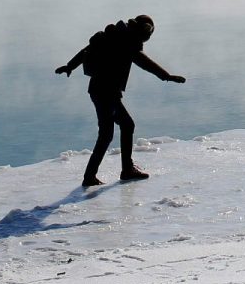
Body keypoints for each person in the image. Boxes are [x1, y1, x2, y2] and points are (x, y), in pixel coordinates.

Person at [56, 14, 185, 186]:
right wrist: (167, 76)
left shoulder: (115, 34)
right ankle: (94, 176)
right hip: (106, 92)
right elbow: (144, 62)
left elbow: (86, 50)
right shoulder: (129, 41)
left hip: (99, 89)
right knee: (107, 134)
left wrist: (69, 66)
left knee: (125, 125)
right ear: (145, 31)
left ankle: (124, 169)